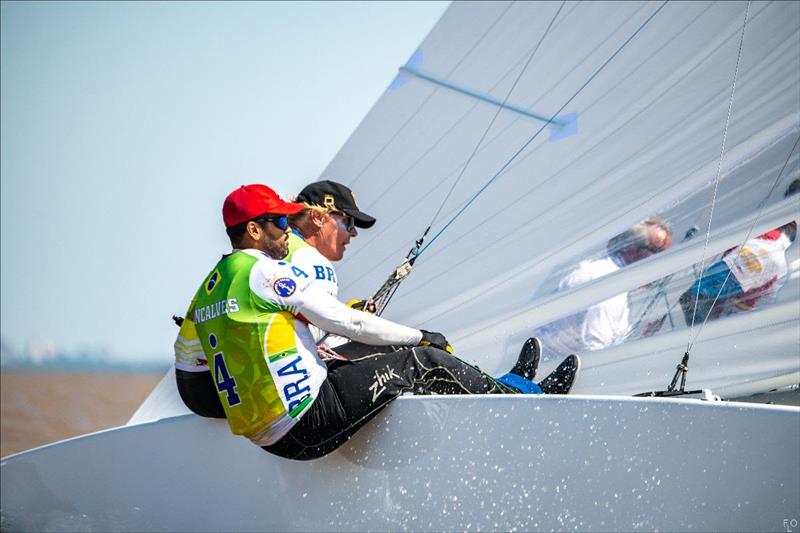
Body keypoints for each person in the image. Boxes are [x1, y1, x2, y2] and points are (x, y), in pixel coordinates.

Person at [180, 183, 578, 460]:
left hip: (270, 436)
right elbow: (347, 324)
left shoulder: (208, 289)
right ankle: (526, 410)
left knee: (377, 357)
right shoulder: (262, 272)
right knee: (420, 361)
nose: (290, 231)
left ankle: (511, 390)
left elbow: (191, 370)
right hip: (307, 422)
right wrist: (423, 337)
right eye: (281, 224)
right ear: (252, 230)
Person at [173, 180, 376, 417]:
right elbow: (314, 331)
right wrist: (350, 316)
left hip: (193, 386)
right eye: (348, 222)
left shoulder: (247, 255)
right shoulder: (312, 261)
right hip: (225, 390)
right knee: (373, 349)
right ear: (318, 218)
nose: (353, 233)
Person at [537, 216, 673, 358]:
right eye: (658, 253)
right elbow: (596, 355)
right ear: (631, 249)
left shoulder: (605, 271)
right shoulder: (611, 290)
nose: (664, 264)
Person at [679, 179, 798, 324]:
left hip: (736, 323)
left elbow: (695, 297)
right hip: (732, 323)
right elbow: (695, 297)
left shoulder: (775, 250)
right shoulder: (773, 248)